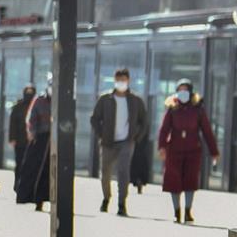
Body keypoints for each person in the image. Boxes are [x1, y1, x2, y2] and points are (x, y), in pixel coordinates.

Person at [157, 80, 219, 223]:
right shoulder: (172, 108)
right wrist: (162, 146)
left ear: (190, 92)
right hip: (174, 150)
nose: (183, 93)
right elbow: (164, 129)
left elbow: (207, 131)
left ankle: (187, 211)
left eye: (185, 90)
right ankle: (176, 211)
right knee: (174, 181)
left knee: (190, 181)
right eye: (180, 90)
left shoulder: (198, 109)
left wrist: (214, 151)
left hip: (193, 150)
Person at [91, 68, 147, 216]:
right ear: (114, 81)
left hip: (126, 142)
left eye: (124, 80)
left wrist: (135, 137)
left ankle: (122, 203)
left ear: (128, 81)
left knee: (123, 172)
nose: (121, 83)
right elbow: (95, 118)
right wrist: (101, 134)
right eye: (118, 80)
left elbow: (144, 121)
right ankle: (106, 198)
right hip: (108, 141)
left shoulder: (135, 100)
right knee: (105, 172)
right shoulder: (105, 99)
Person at [15, 85, 52, 210]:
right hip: (40, 139)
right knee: (35, 170)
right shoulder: (39, 100)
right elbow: (31, 119)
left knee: (50, 172)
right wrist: (33, 133)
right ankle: (36, 200)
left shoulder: (62, 100)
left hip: (55, 141)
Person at [8, 85, 35, 190]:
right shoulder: (18, 107)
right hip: (20, 141)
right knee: (19, 164)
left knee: (30, 165)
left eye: (31, 92)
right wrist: (12, 138)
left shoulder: (35, 106)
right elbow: (12, 123)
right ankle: (17, 184)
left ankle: (27, 186)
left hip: (32, 142)